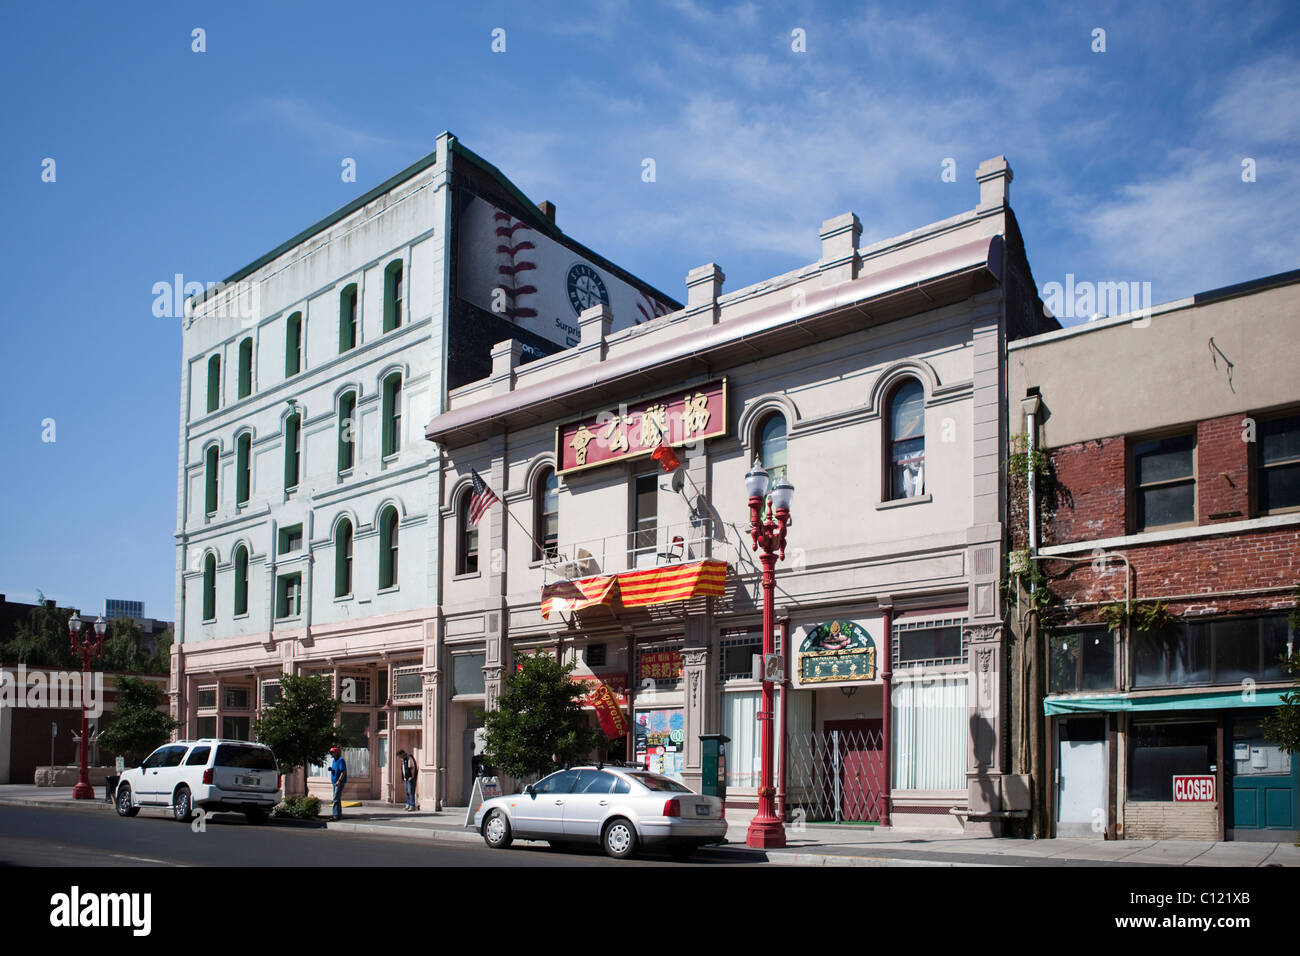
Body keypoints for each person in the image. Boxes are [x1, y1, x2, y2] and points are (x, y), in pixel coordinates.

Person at [328, 746, 347, 821]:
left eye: (333, 752)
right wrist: (331, 769)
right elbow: (336, 770)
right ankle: (338, 815)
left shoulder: (340, 760)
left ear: (337, 753)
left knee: (335, 799)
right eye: (331, 753)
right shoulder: (334, 761)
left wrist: (339, 781)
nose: (332, 754)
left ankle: (335, 816)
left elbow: (343, 771)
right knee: (337, 799)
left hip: (339, 782)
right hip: (334, 782)